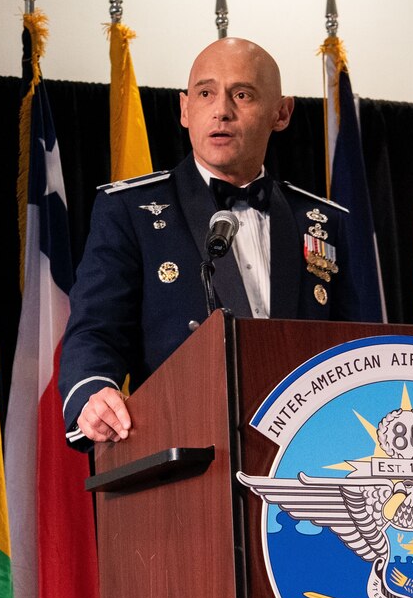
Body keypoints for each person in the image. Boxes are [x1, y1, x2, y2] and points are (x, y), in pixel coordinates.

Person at [60, 36, 376, 444]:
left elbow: (358, 349)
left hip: (305, 453)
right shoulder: (130, 211)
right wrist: (93, 394)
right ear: (184, 109)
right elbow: (94, 332)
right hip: (181, 453)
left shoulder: (325, 221)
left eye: (242, 95)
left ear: (281, 113)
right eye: (205, 93)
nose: (221, 111)